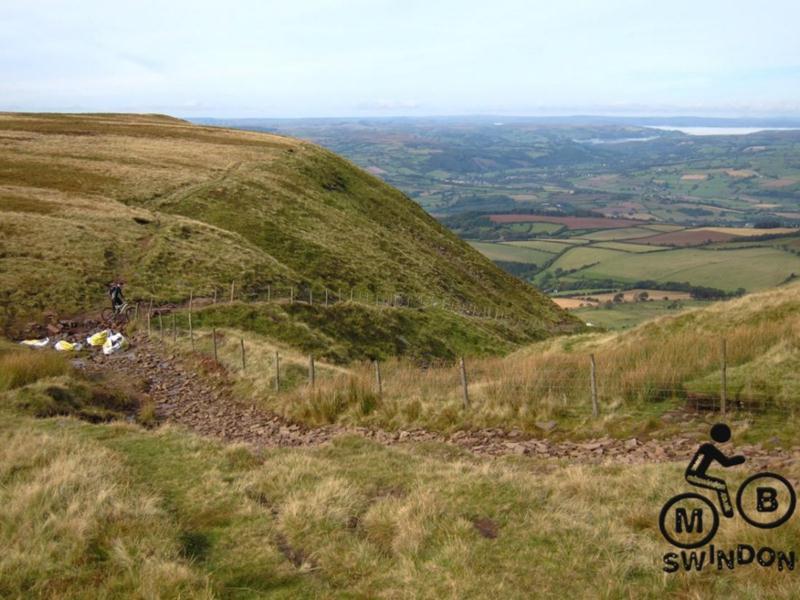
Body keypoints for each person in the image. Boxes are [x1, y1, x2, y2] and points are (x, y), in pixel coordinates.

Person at [684, 423, 745, 518]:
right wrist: (740, 459)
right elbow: (725, 463)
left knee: (720, 485)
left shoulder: (707, 447)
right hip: (694, 476)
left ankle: (727, 511)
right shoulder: (709, 448)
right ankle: (728, 512)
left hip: (694, 475)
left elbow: (725, 462)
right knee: (720, 485)